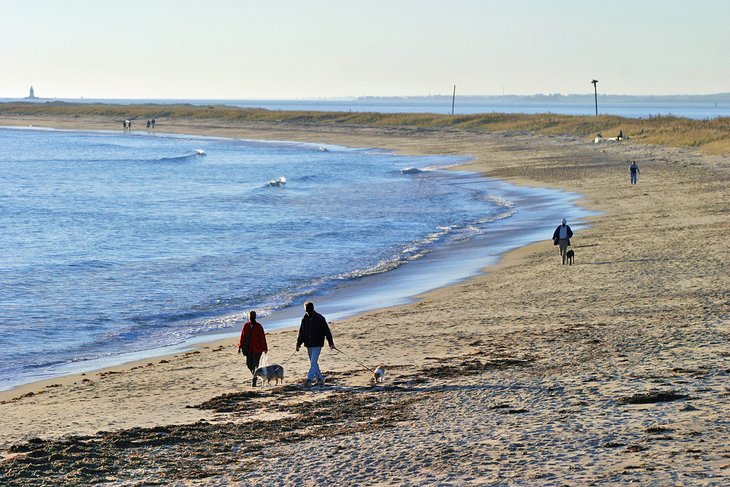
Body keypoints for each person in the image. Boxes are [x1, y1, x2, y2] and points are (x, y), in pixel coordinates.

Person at [296, 301, 335, 386]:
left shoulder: (320, 318)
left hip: (317, 343)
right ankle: (320, 379)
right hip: (308, 344)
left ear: (312, 308)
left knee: (313, 362)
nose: (307, 311)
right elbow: (301, 332)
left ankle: (309, 380)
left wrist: (331, 343)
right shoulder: (304, 319)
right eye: (306, 310)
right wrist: (298, 343)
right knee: (313, 363)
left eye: (308, 309)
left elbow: (326, 331)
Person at [237, 310, 268, 386]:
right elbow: (242, 337)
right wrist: (240, 346)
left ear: (255, 317)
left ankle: (254, 380)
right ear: (249, 317)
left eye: (252, 317)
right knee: (248, 364)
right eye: (251, 317)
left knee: (255, 365)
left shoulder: (259, 326)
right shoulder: (246, 326)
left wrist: (265, 348)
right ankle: (255, 375)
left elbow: (262, 338)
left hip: (257, 349)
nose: (251, 318)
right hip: (248, 349)